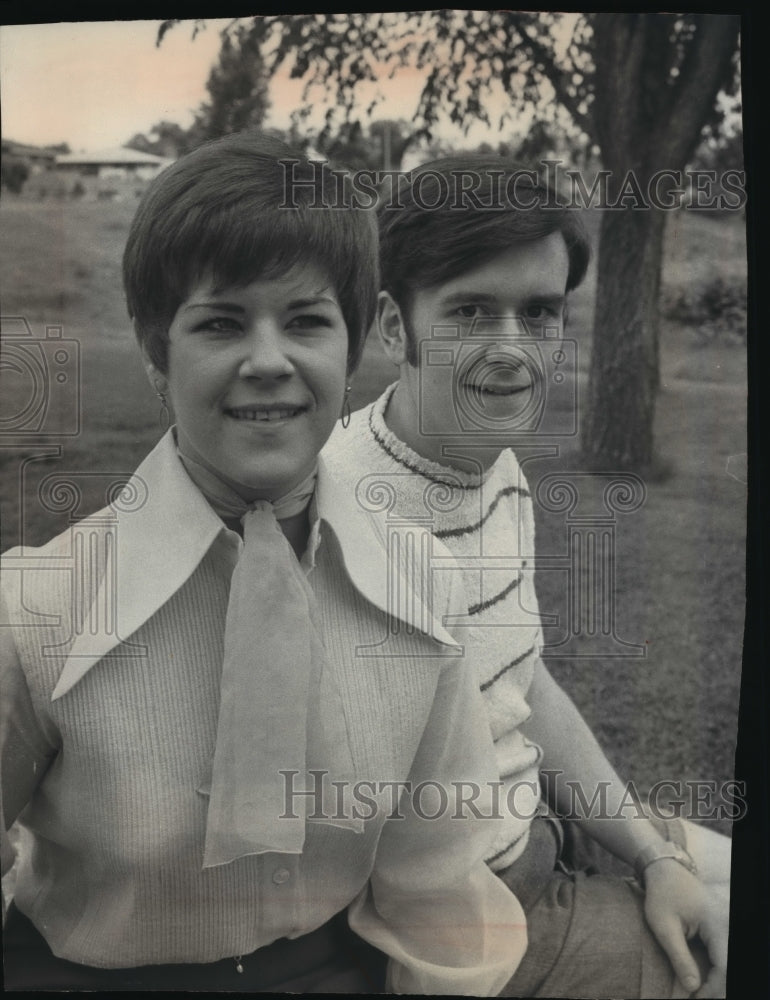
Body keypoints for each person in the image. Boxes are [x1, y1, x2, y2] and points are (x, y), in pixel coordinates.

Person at [0, 134, 525, 994]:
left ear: (352, 349)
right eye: (220, 321)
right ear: (154, 351)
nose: (270, 360)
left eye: (308, 320)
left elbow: (434, 886)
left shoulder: (419, 586)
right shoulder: (38, 608)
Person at [323, 156, 732, 998]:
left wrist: (651, 853)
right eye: (471, 310)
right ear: (396, 327)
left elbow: (522, 681)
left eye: (539, 313)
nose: (512, 351)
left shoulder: (496, 468)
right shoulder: (340, 519)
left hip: (543, 831)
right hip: (482, 915)